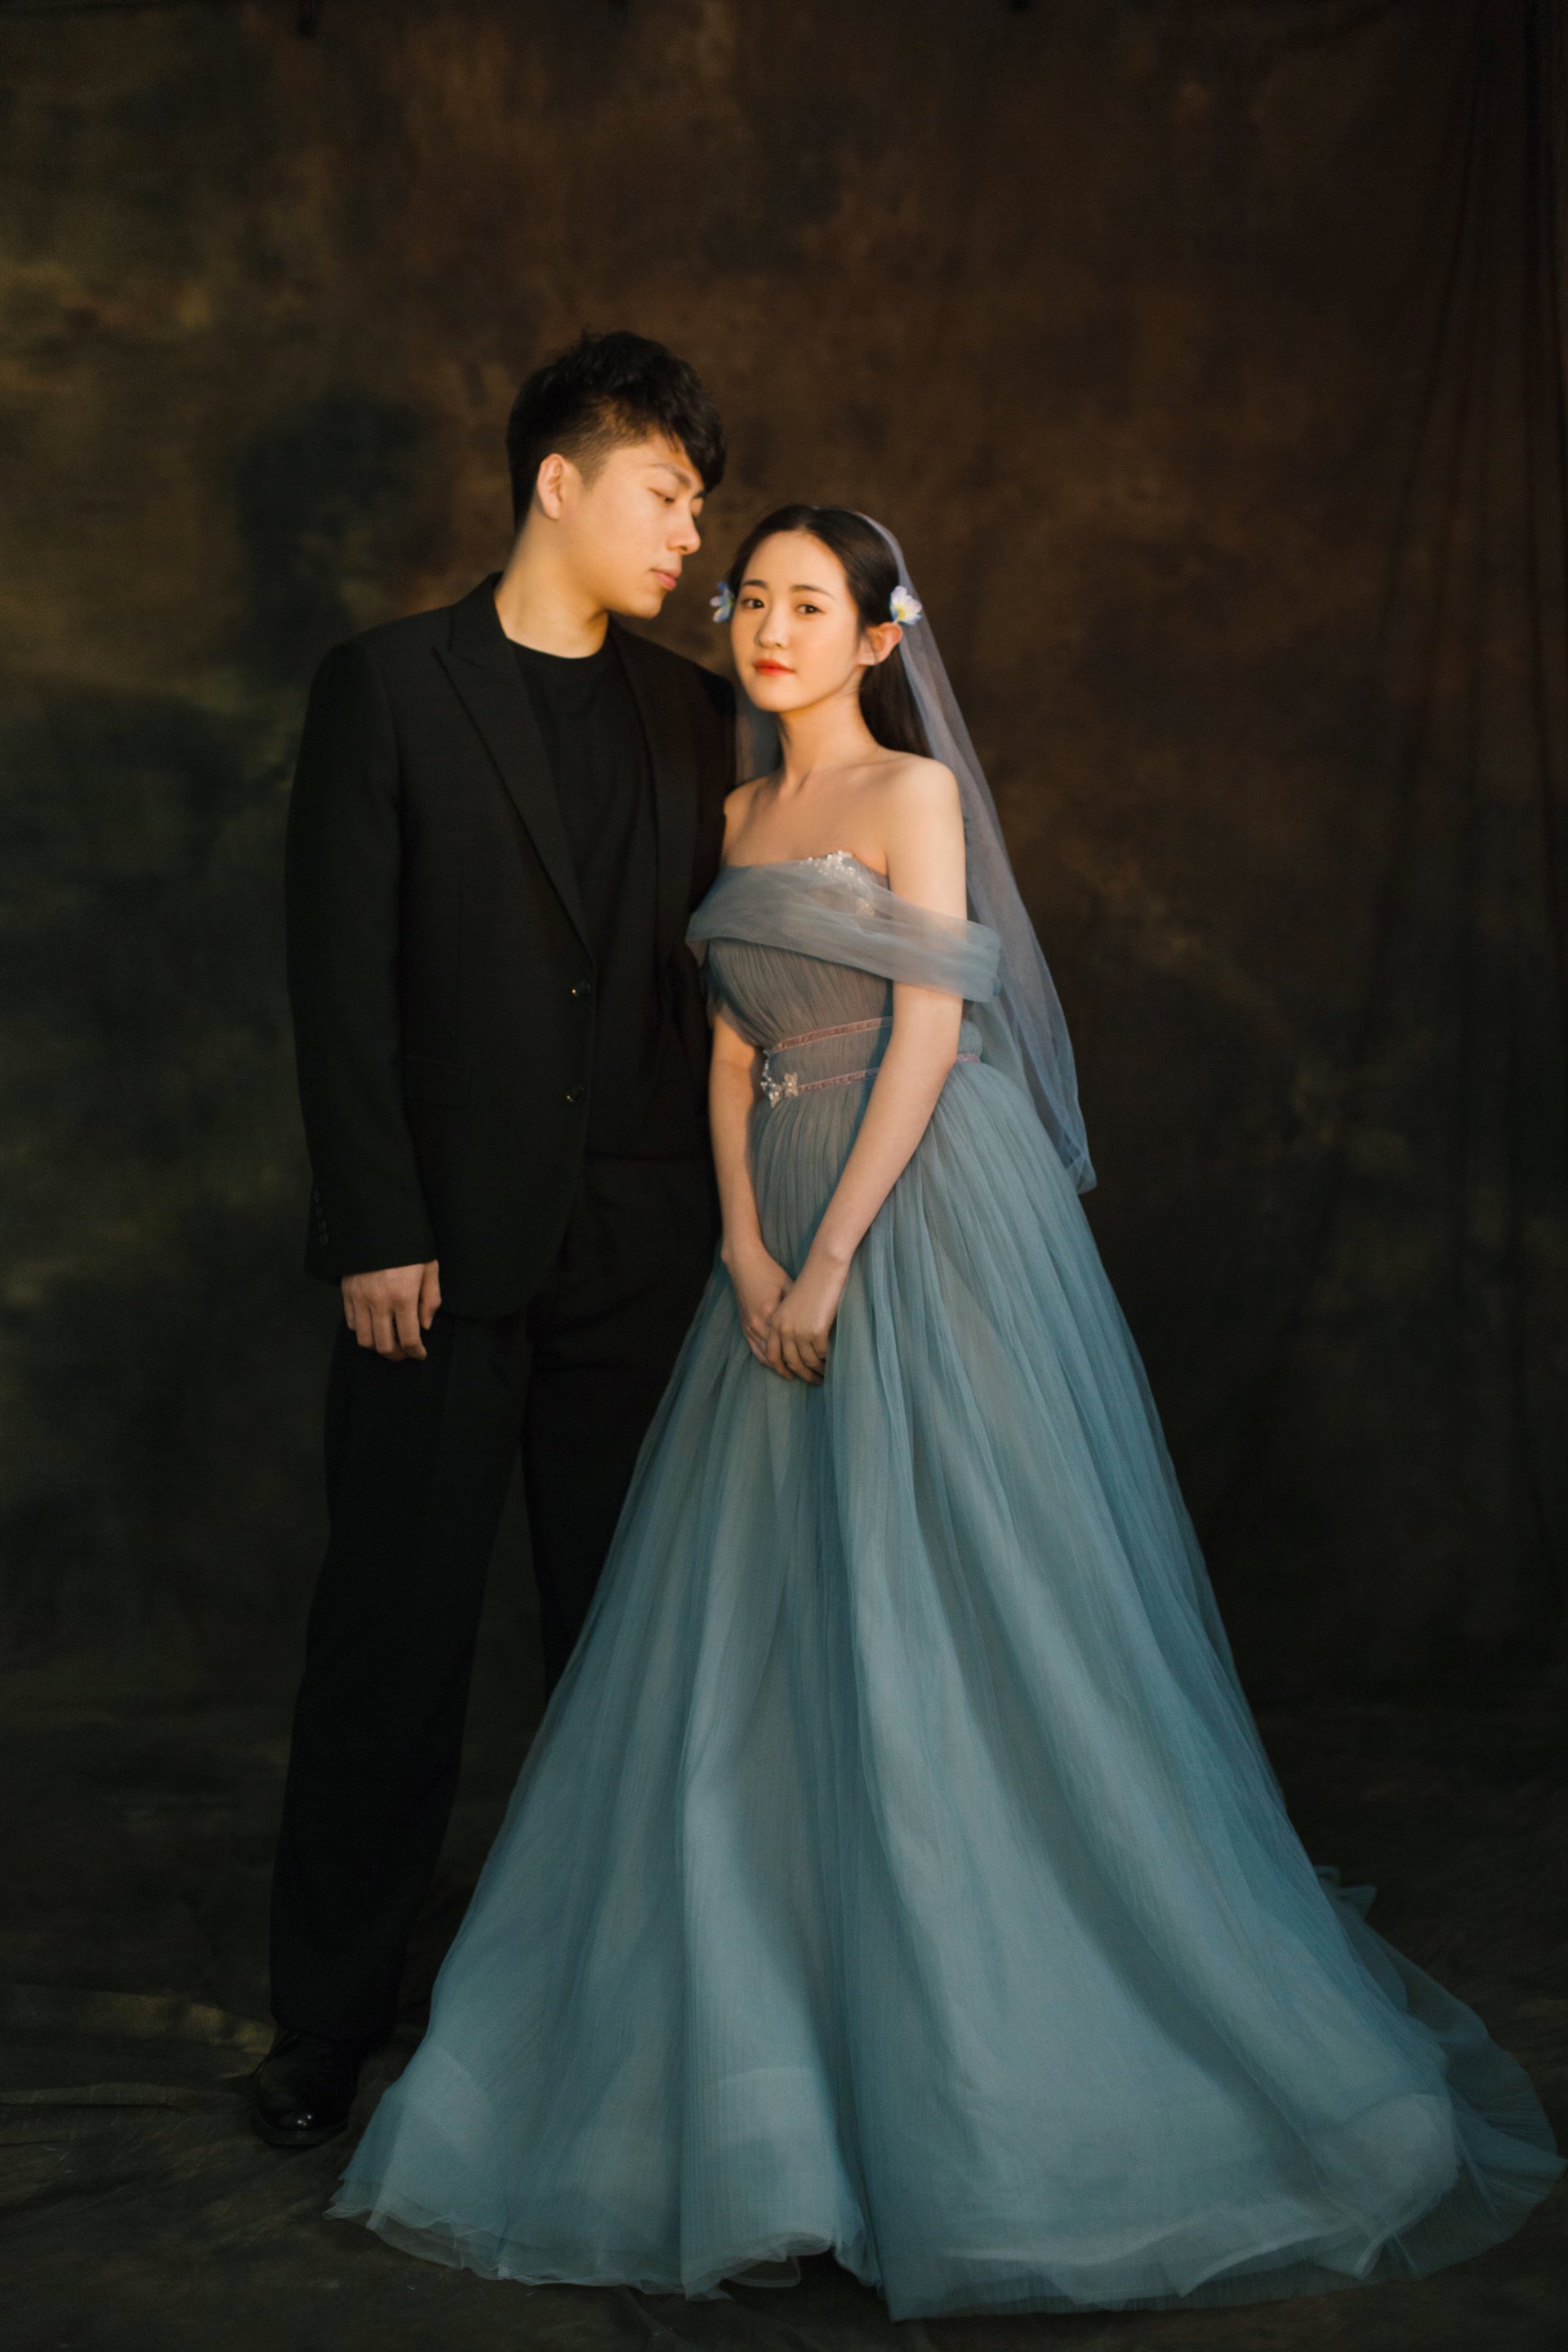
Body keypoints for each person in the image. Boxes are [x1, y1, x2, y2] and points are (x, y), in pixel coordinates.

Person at [323, 507, 1561, 2318]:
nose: (766, 629)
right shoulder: (734, 813)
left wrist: (832, 1256)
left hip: (920, 1205)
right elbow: (729, 1044)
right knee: (764, 1627)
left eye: (806, 605)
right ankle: (783, 2061)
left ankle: (988, 2038)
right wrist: (747, 1246)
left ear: (879, 637)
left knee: (961, 1581)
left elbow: (921, 1034)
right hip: (777, 1222)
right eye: (750, 599)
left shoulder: (910, 796)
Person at [250, 332, 736, 2151]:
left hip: (648, 1255)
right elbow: (340, 981)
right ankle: (326, 2023)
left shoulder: (693, 711)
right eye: (666, 493)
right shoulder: (387, 686)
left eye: (701, 505)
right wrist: (375, 1226)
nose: (690, 534)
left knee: (634, 1654)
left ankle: (623, 2017)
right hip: (437, 1267)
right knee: (393, 1647)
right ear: (558, 479)